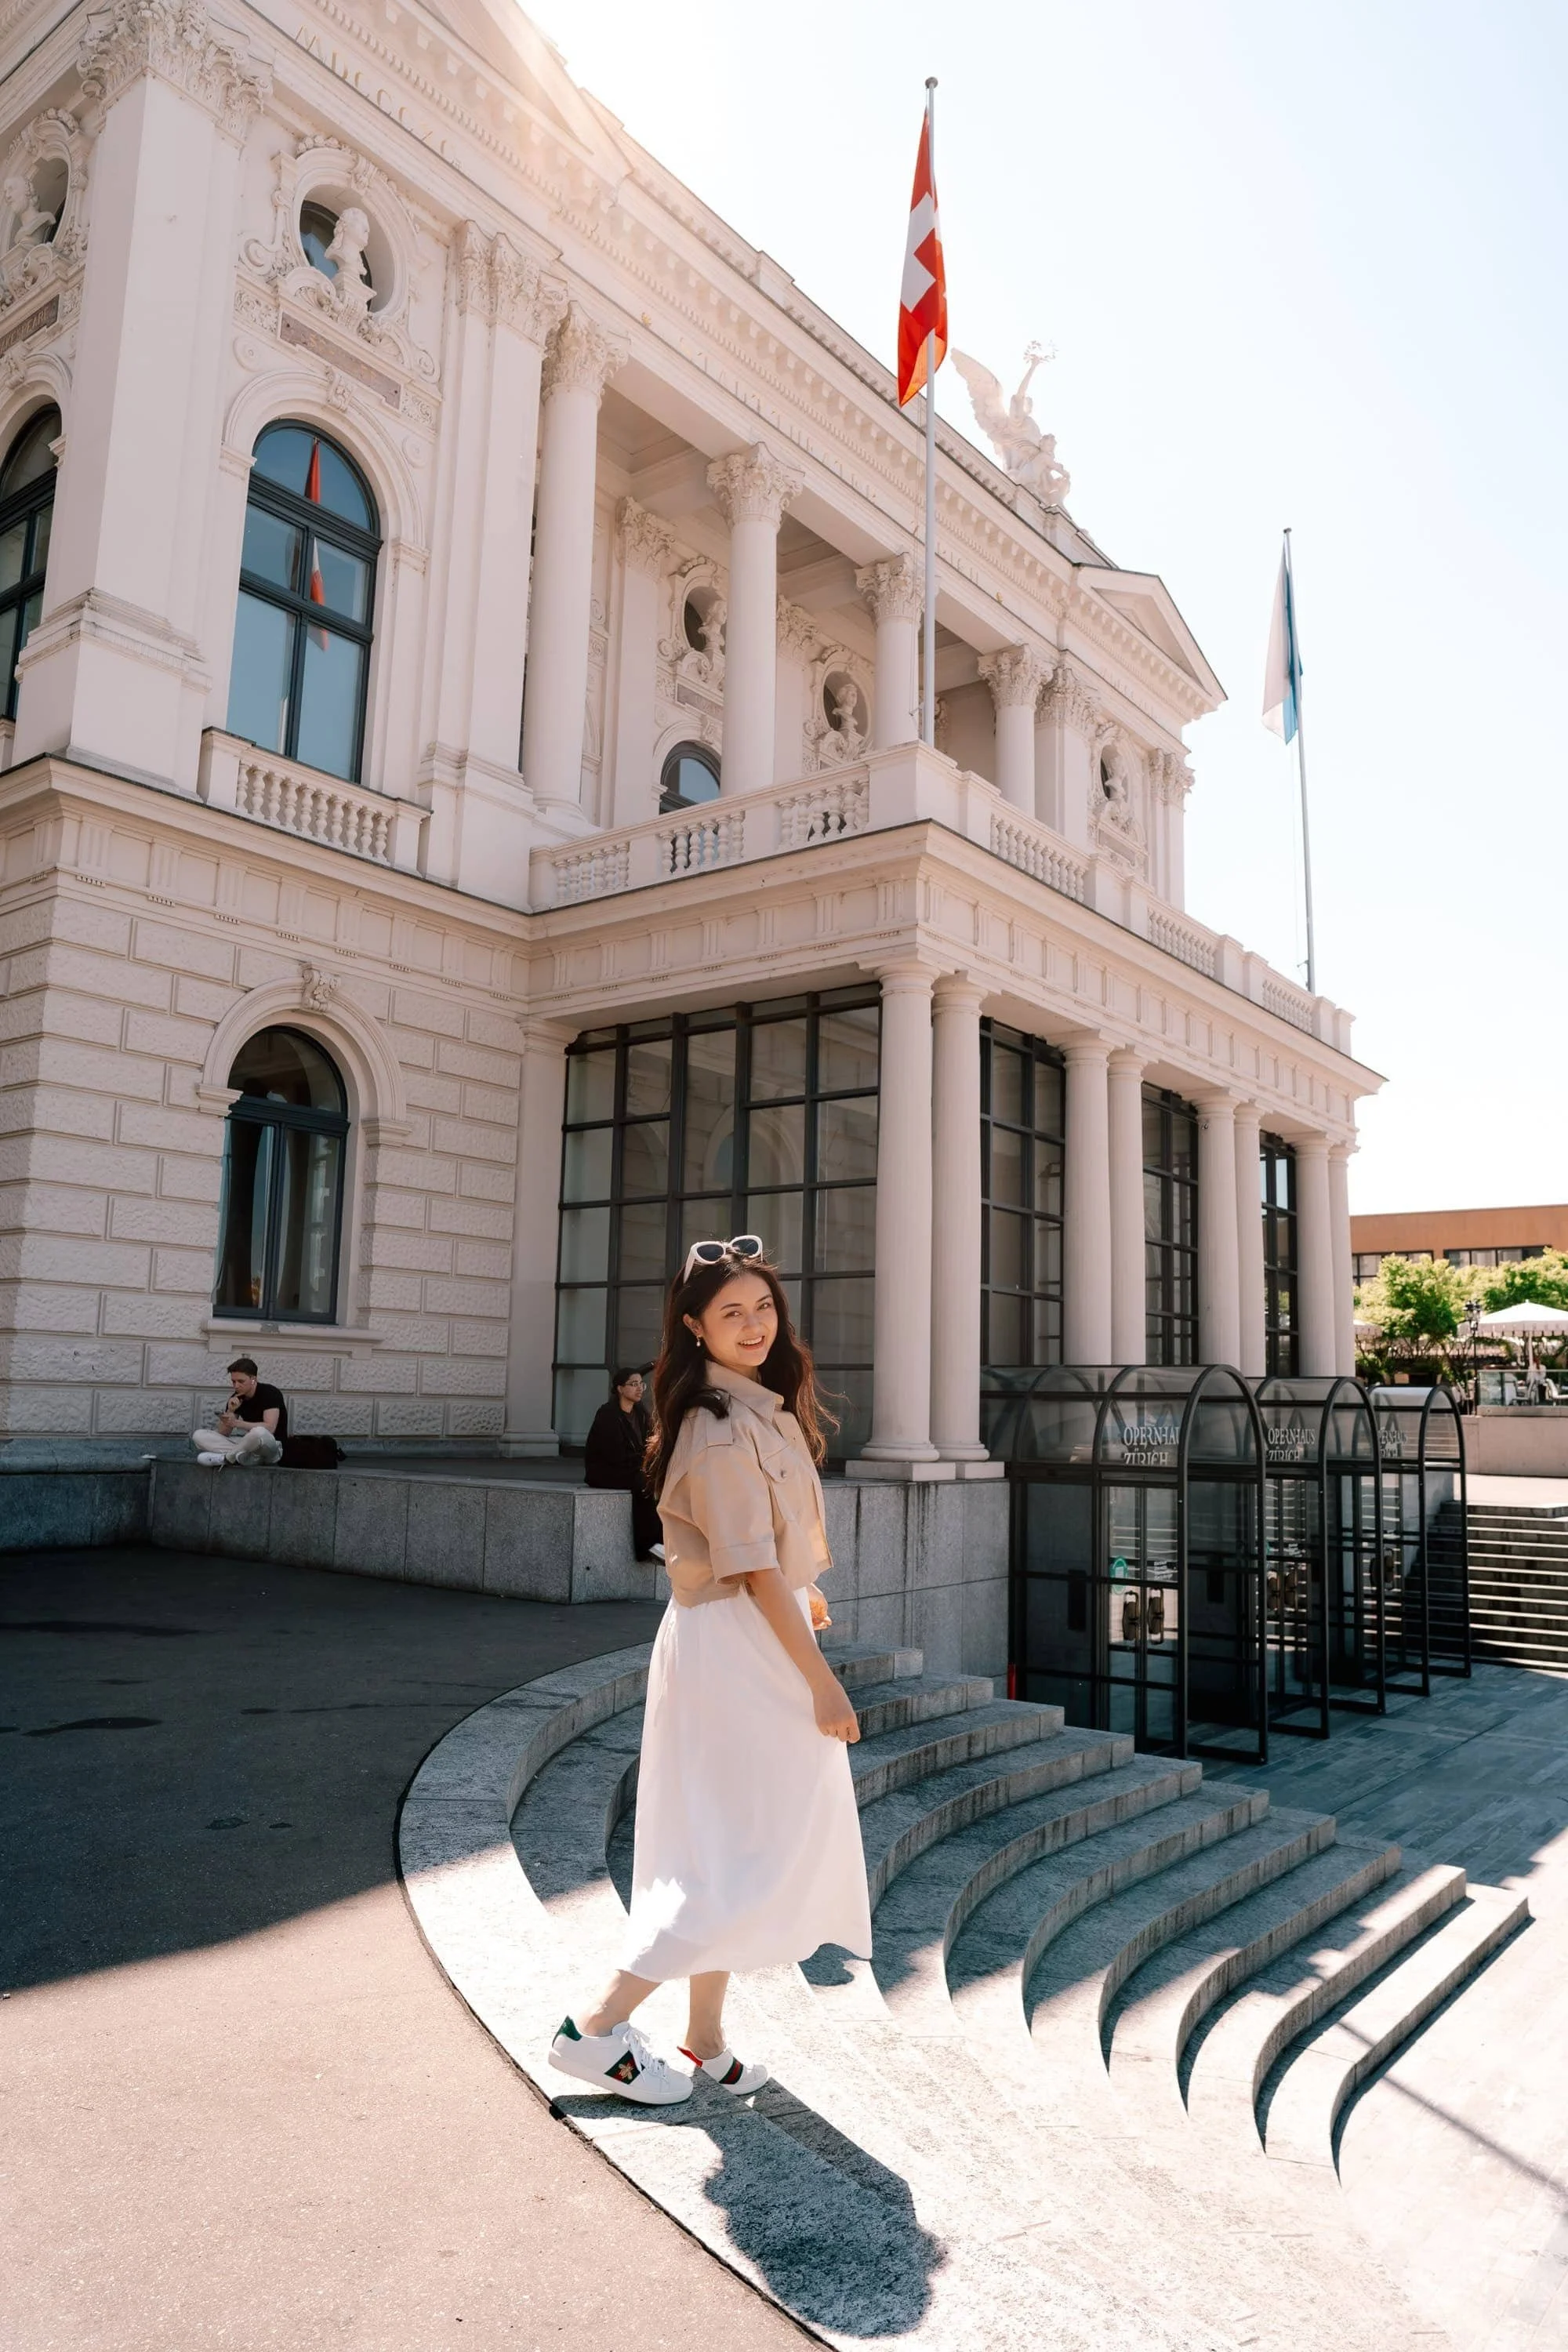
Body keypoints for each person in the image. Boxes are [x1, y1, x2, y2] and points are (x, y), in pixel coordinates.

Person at [548, 1237, 871, 2108]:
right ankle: (595, 2031)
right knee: (738, 1850)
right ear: (693, 1327)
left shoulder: (753, 1407)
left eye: (762, 1307)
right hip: (737, 1649)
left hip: (743, 1635)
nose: (753, 1323)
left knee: (729, 1841)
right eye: (730, 1312)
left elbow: (768, 1557)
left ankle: (703, 2039)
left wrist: (799, 1603)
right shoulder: (717, 1424)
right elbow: (749, 1566)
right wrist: (821, 1680)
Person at [583, 1367, 664, 1563]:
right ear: (620, 1388)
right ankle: (647, 1547)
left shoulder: (641, 1413)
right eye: (633, 1384)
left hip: (633, 1469)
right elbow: (613, 1453)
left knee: (659, 1481)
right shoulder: (608, 1414)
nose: (639, 1389)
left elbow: (650, 1445)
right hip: (606, 1471)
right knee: (644, 1484)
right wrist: (644, 1466)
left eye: (641, 1384)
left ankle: (661, 1543)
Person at [192, 1358, 289, 1468]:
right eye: (233, 1381)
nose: (236, 1386)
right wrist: (230, 1411)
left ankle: (227, 1458)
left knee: (258, 1432)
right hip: (249, 1449)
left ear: (253, 1379)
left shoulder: (270, 1393)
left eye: (241, 1381)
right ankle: (240, 1457)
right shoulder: (236, 1398)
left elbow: (270, 1428)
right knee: (199, 1436)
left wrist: (237, 1423)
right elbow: (223, 1434)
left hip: (271, 1449)